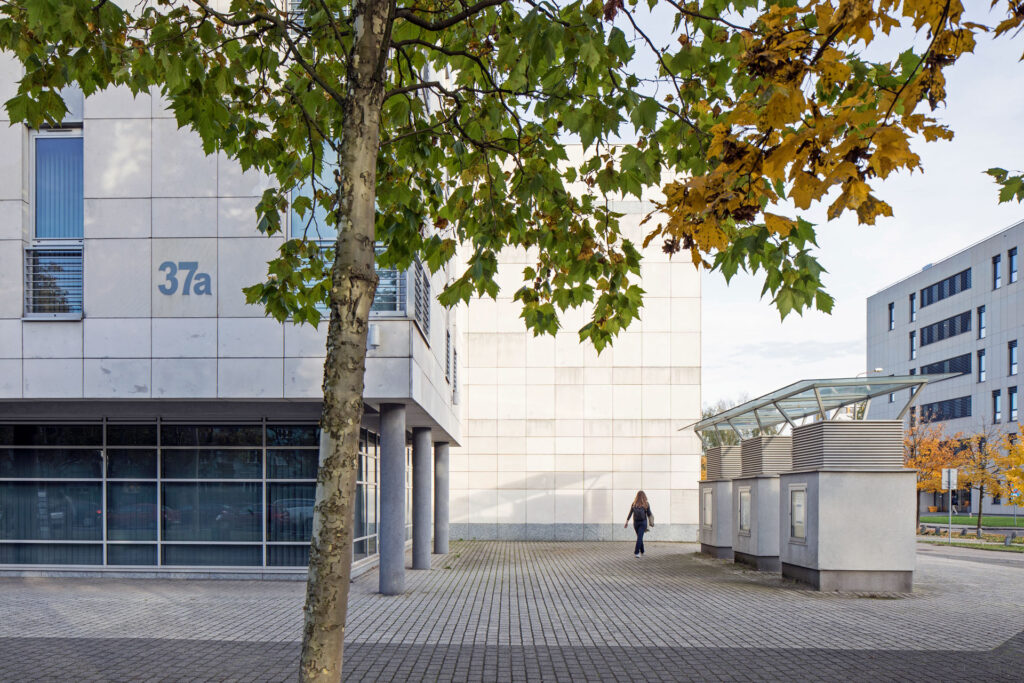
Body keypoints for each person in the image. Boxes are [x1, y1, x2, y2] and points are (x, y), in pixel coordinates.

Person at [624, 490, 654, 557]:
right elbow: (649, 514)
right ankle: (637, 552)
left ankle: (642, 551)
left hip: (636, 523)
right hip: (643, 523)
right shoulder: (646, 504)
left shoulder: (634, 503)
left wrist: (627, 522)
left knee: (639, 537)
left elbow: (630, 513)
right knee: (640, 537)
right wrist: (652, 521)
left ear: (637, 496)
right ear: (644, 496)